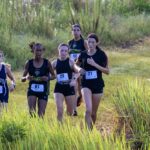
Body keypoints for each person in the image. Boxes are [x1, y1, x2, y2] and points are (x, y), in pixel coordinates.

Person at [75, 33, 109, 129]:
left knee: (93, 113)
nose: (90, 44)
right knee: (88, 110)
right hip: (85, 84)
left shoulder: (101, 55)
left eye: (93, 42)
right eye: (89, 41)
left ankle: (91, 130)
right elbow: (75, 65)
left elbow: (107, 71)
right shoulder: (83, 54)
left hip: (98, 85)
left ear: (97, 43)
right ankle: (87, 134)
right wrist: (79, 69)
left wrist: (95, 64)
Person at [21, 43, 55, 117]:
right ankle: (31, 128)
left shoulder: (47, 63)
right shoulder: (29, 63)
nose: (38, 52)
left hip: (43, 91)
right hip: (32, 90)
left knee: (41, 115)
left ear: (43, 51)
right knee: (32, 113)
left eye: (40, 50)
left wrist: (48, 78)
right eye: (37, 50)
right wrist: (26, 77)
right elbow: (22, 79)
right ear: (33, 51)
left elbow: (54, 76)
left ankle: (39, 128)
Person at [52, 43, 80, 122]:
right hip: (59, 87)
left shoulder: (71, 62)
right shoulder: (55, 63)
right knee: (59, 110)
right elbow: (48, 72)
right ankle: (59, 129)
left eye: (65, 51)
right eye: (61, 51)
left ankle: (66, 123)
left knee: (70, 112)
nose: (63, 53)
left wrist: (74, 79)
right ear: (58, 51)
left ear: (68, 52)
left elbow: (78, 72)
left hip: (69, 87)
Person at [68, 24, 88, 116]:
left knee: (80, 87)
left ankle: (80, 97)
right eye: (74, 30)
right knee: (74, 86)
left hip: (81, 67)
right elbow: (69, 55)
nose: (75, 32)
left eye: (77, 30)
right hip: (73, 67)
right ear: (72, 32)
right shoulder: (70, 42)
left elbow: (88, 53)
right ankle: (74, 110)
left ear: (80, 31)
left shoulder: (84, 42)